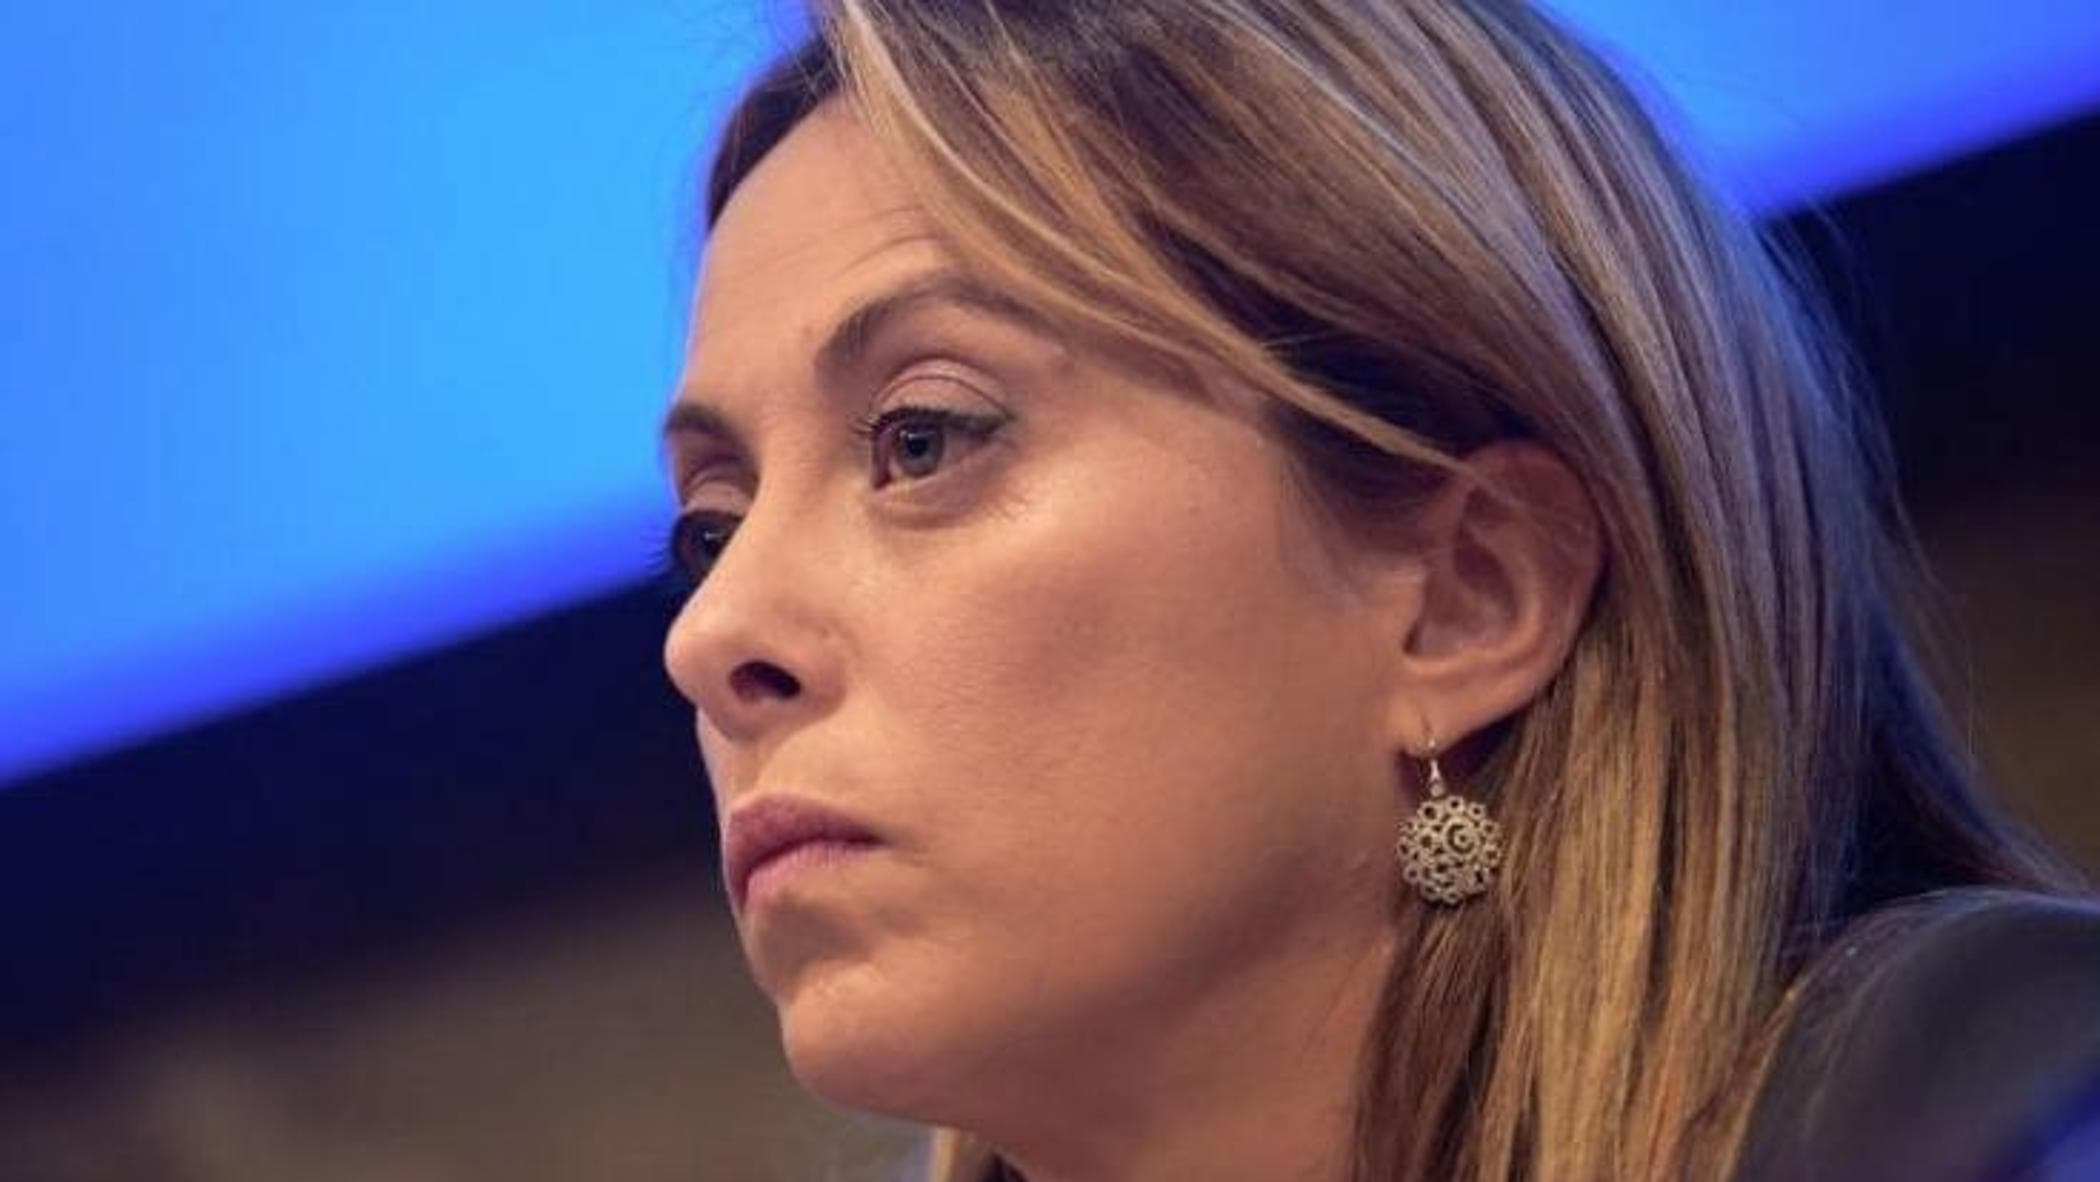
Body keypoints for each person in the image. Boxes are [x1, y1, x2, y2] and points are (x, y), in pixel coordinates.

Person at [654, 2, 2100, 1178]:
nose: (711, 635)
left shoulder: (2004, 1099)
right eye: (711, 529)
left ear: (1470, 595)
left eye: (922, 439)